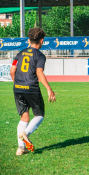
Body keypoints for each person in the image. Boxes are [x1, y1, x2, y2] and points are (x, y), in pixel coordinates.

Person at [10, 27, 56, 155]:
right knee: (39, 115)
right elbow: (39, 72)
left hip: (18, 88)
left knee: (24, 117)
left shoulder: (19, 54)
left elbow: (12, 71)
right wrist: (49, 89)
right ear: (41, 41)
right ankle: (26, 133)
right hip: (31, 88)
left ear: (29, 40)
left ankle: (20, 148)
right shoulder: (40, 56)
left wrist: (18, 84)